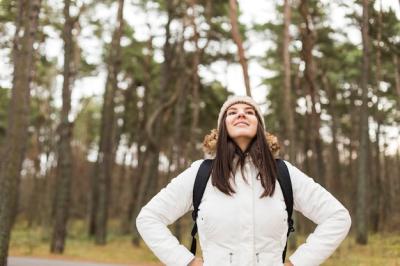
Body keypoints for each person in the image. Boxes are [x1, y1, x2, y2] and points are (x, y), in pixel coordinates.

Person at [136, 95, 351, 266]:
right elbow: (149, 218)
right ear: (222, 128)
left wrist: (297, 263)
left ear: (259, 126)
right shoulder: (200, 174)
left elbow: (337, 217)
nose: (241, 115)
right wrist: (187, 261)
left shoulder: (283, 174)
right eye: (232, 112)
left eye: (250, 112)